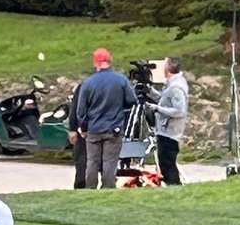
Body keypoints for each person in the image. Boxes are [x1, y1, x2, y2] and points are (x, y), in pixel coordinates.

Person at [76, 48, 138, 189]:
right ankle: (108, 188)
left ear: (96, 62)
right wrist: (120, 108)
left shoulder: (88, 82)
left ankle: (90, 188)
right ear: (109, 61)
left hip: (93, 128)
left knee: (92, 161)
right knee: (110, 161)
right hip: (113, 128)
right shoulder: (120, 79)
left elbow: (81, 110)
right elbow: (132, 100)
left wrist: (84, 127)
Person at [146, 56, 188, 185]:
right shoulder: (171, 84)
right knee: (164, 161)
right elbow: (165, 99)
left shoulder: (176, 87)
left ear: (169, 68)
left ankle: (174, 184)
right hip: (165, 129)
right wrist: (149, 90)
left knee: (167, 162)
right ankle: (171, 184)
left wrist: (158, 109)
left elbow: (179, 111)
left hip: (170, 131)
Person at [67, 80, 87, 189]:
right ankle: (107, 184)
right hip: (107, 127)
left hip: (84, 128)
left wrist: (73, 128)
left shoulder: (85, 84)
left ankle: (81, 185)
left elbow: (75, 107)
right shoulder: (116, 82)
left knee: (83, 158)